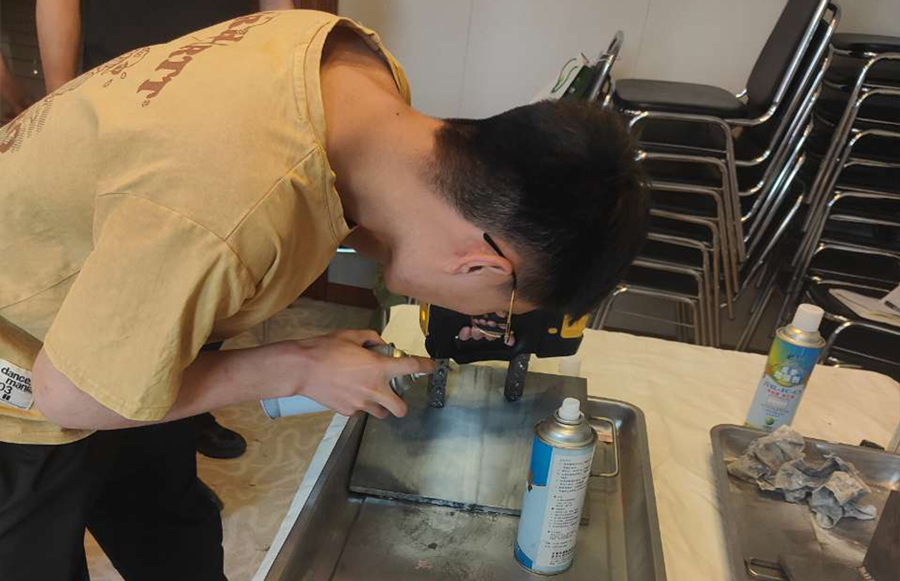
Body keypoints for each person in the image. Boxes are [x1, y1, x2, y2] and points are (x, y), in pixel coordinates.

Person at [0, 10, 647, 581]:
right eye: (497, 310)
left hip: (134, 311)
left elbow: (326, 204)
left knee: (169, 527)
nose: (484, 320)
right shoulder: (227, 211)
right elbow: (71, 395)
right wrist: (298, 365)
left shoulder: (355, 72)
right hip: (29, 364)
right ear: (479, 263)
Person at [35, 0, 295, 460]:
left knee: (210, 272)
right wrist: (60, 97)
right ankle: (120, 427)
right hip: (125, 90)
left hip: (229, 94)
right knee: (125, 275)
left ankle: (186, 416)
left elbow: (279, 8)